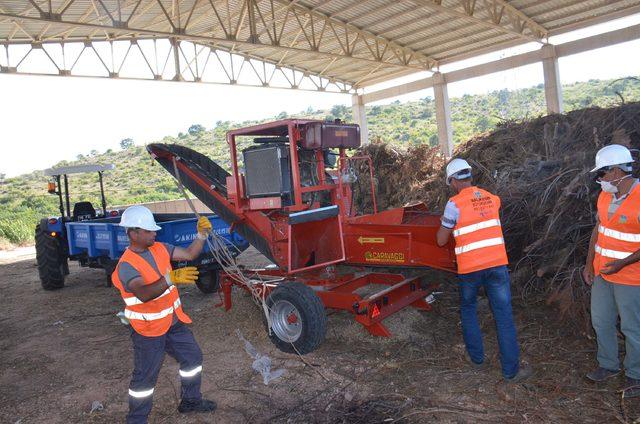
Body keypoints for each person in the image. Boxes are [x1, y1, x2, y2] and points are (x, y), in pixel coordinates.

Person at [112, 205, 217, 423]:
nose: (154, 233)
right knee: (145, 378)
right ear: (133, 233)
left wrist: (201, 235)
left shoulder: (160, 248)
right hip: (148, 330)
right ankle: (137, 420)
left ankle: (191, 401)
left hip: (172, 322)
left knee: (192, 357)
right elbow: (144, 293)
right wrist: (171, 278)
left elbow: (189, 253)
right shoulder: (126, 266)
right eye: (149, 231)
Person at [436, 158, 531, 382]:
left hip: (470, 269)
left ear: (452, 181)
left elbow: (441, 240)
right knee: (504, 316)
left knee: (468, 309)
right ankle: (511, 372)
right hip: (497, 265)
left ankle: (477, 359)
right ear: (469, 176)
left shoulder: (454, 204)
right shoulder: (492, 198)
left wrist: (444, 222)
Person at [583, 144, 640, 397]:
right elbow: (598, 230)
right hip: (602, 273)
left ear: (617, 172)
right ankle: (608, 365)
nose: (600, 180)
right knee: (601, 320)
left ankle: (636, 375)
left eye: (603, 174)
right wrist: (588, 264)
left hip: (630, 277)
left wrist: (622, 263)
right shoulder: (605, 195)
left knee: (632, 327)